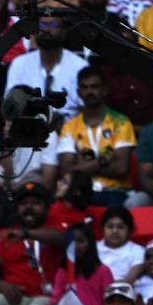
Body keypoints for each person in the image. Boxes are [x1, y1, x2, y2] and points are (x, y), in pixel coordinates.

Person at [50, 66, 136, 208]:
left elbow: (121, 168)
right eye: (84, 87)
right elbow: (66, 171)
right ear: (78, 92)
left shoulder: (121, 122)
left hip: (116, 192)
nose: (89, 91)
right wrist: (102, 161)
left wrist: (81, 166)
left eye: (94, 87)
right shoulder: (69, 127)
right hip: (81, 194)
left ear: (104, 90)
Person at [0, 182, 60, 305]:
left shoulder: (53, 231)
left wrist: (26, 234)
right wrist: (2, 285)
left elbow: (62, 239)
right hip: (12, 297)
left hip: (43, 297)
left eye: (35, 203)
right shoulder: (5, 234)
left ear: (46, 208)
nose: (28, 207)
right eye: (23, 204)